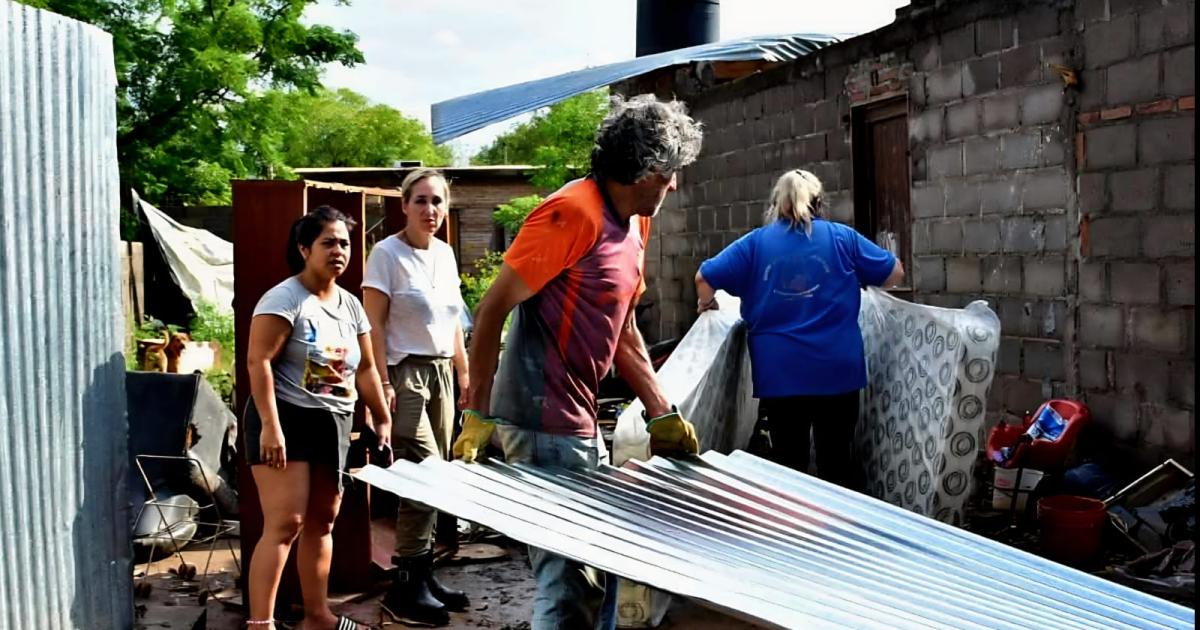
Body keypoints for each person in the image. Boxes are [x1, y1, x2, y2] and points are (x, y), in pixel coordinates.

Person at [451, 94, 703, 630]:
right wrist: (478, 412)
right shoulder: (572, 213)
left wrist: (661, 411)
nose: (674, 186)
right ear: (647, 169)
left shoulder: (634, 223)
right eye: (671, 174)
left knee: (597, 570)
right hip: (542, 419)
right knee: (570, 582)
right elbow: (492, 308)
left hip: (578, 420)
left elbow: (625, 327)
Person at [694, 169, 904, 488]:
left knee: (789, 464)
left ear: (777, 204)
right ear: (819, 202)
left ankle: (794, 531)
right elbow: (895, 274)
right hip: (837, 369)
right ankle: (838, 530)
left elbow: (704, 279)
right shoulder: (842, 238)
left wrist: (706, 305)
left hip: (780, 373)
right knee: (837, 463)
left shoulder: (755, 243)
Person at [243, 206, 391, 630]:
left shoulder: (350, 305)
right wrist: (271, 427)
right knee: (286, 523)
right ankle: (261, 624)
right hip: (286, 419)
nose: (338, 251)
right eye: (328, 242)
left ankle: (317, 616)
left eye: (344, 243)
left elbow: (364, 369)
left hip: (334, 423)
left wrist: (380, 417)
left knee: (323, 522)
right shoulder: (284, 299)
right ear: (304, 248)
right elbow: (259, 362)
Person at [361, 168, 470, 626]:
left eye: (438, 202)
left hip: (443, 370)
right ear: (404, 205)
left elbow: (454, 324)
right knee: (421, 474)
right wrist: (380, 384)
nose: (431, 210)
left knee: (439, 476)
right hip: (405, 373)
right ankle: (407, 585)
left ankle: (423, 573)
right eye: (421, 201)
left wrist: (467, 377)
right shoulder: (386, 254)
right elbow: (373, 325)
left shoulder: (445, 255)